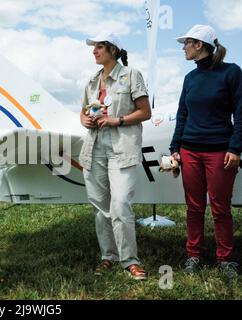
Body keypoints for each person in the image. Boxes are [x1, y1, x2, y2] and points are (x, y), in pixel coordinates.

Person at [170, 25, 242, 278]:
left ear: (198, 45)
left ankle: (225, 259)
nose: (183, 48)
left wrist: (235, 147)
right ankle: (194, 255)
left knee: (221, 208)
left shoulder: (231, 72)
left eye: (186, 43)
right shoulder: (190, 78)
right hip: (189, 151)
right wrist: (174, 147)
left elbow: (241, 113)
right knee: (194, 207)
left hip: (220, 152)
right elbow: (182, 115)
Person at [79, 31, 152, 280]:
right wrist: (86, 120)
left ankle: (130, 260)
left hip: (122, 147)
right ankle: (107, 256)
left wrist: (116, 120)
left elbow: (145, 112)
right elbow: (82, 112)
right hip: (94, 148)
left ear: (112, 50)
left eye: (99, 47)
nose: (94, 51)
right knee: (101, 208)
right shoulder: (91, 81)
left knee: (120, 204)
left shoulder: (131, 75)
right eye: (94, 47)